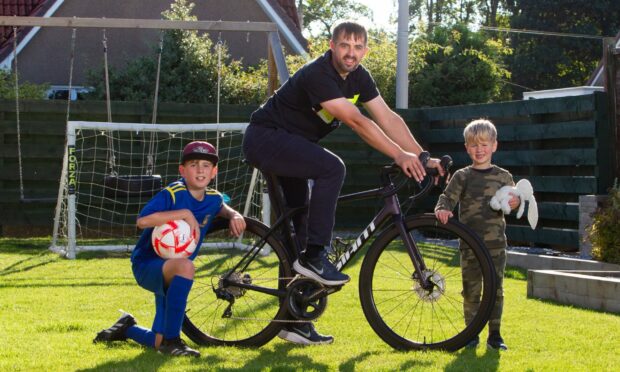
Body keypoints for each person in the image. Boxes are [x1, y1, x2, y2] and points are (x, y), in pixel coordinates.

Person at [242, 20, 443, 345]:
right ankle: (315, 257)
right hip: (266, 138)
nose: (351, 53)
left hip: (293, 145)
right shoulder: (319, 74)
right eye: (345, 46)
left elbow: (388, 117)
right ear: (332, 46)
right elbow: (356, 121)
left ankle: (293, 320)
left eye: (358, 47)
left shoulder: (360, 77)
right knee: (332, 168)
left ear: (365, 50)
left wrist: (420, 156)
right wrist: (398, 155)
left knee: (298, 230)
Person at [93, 141, 246, 357]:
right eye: (193, 164)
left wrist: (234, 215)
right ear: (182, 170)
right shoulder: (172, 193)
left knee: (156, 340)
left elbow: (221, 206)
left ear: (214, 172)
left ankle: (127, 328)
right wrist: (183, 213)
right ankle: (173, 342)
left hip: (172, 270)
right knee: (186, 266)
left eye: (206, 165)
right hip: (148, 265)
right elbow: (143, 221)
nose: (200, 169)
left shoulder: (213, 198)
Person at [434, 119, 519, 351]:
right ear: (466, 148)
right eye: (473, 145)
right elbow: (447, 198)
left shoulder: (503, 176)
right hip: (470, 245)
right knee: (471, 290)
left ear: (494, 146)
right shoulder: (462, 176)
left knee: (496, 290)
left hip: (495, 245)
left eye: (484, 144)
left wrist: (516, 200)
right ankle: (471, 335)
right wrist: (442, 210)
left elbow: (514, 199)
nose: (479, 149)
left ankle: (495, 335)